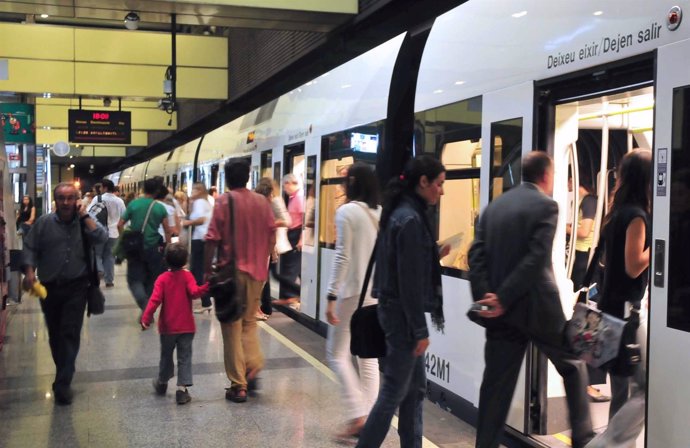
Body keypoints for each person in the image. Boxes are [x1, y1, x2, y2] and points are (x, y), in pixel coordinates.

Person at [468, 151, 594, 448]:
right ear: (546, 176)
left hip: (500, 315)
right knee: (573, 365)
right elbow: (535, 258)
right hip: (539, 311)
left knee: (495, 387)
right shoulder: (546, 206)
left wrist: (488, 299)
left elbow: (476, 257)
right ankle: (583, 440)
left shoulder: (493, 208)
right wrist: (504, 296)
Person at [356, 155, 447, 448]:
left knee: (415, 389)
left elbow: (402, 265)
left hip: (397, 313)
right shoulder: (409, 218)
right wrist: (420, 331)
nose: (442, 191)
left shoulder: (403, 212)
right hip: (403, 318)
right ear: (423, 182)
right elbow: (408, 283)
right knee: (393, 392)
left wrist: (431, 254)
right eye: (439, 184)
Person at [585, 149, 651, 448]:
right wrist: (660, 246)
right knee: (642, 389)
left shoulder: (616, 213)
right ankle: (610, 443)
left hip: (609, 309)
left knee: (622, 386)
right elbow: (633, 264)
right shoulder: (636, 216)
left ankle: (615, 442)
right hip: (624, 315)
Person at [21, 182, 108, 405]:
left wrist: (85, 215)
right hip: (49, 288)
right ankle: (64, 371)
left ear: (77, 200)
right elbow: (29, 247)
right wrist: (29, 271)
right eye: (62, 198)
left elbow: (102, 237)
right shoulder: (44, 223)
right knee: (55, 334)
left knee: (70, 332)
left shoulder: (85, 221)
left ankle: (62, 383)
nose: (66, 203)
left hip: (77, 287)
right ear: (56, 201)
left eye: (71, 198)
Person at [204, 159, 275, 403]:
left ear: (227, 177)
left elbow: (212, 237)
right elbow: (271, 233)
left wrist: (205, 271)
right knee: (249, 323)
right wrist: (265, 257)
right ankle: (254, 363)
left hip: (231, 273)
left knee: (231, 327)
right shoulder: (262, 202)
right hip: (257, 273)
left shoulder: (224, 201)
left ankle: (238, 384)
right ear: (248, 177)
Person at [325, 163, 381, 442]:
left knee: (336, 354)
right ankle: (370, 419)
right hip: (375, 293)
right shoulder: (379, 212)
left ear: (354, 183)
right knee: (368, 358)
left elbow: (342, 257)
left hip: (351, 295)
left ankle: (358, 413)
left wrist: (331, 296)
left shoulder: (346, 212)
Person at [141, 243, 209, 405]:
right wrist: (208, 285)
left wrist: (146, 318)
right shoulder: (188, 276)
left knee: (166, 356)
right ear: (186, 260)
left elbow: (154, 300)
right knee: (184, 357)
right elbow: (194, 293)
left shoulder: (162, 279)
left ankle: (162, 382)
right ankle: (182, 390)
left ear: (165, 260)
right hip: (186, 326)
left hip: (167, 327)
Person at [566, 175, 609, 402]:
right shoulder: (582, 202)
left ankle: (588, 382)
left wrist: (562, 226)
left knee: (589, 322)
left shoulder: (589, 201)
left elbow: (584, 232)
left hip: (586, 266)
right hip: (581, 263)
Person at [118, 177, 171, 312]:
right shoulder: (159, 208)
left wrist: (125, 237)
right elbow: (167, 230)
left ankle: (144, 304)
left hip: (135, 248)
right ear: (157, 191)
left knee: (134, 280)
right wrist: (168, 247)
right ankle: (148, 306)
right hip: (154, 249)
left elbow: (120, 224)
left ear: (143, 189)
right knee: (152, 279)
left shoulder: (134, 204)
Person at [88, 179, 126, 288]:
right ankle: (109, 280)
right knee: (110, 257)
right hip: (114, 233)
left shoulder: (97, 199)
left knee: (97, 255)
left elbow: (90, 213)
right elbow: (124, 217)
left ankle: (99, 271)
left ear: (104, 188)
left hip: (100, 232)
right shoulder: (119, 201)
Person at [182, 183, 213, 313]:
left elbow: (201, 220)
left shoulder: (200, 202)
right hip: (203, 239)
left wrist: (187, 222)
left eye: (194, 189)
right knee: (197, 270)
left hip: (200, 239)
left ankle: (205, 301)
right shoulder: (204, 201)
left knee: (197, 271)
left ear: (199, 190)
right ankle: (200, 298)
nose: (192, 191)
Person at [278, 173, 303, 305]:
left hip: (296, 233)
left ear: (290, 183)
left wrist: (301, 239)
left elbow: (304, 219)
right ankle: (297, 294)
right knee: (295, 267)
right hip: (292, 233)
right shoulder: (294, 198)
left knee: (290, 266)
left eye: (284, 186)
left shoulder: (299, 198)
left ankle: (289, 296)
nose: (284, 189)